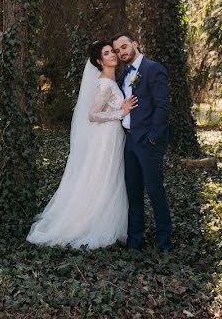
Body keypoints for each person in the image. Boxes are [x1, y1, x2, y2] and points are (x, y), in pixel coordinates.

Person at [26, 40, 138, 248]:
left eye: (112, 51)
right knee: (103, 177)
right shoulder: (104, 83)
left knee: (109, 178)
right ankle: (92, 222)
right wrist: (120, 112)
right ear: (99, 60)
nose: (113, 55)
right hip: (106, 136)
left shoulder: (111, 80)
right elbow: (93, 114)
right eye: (107, 53)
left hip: (112, 135)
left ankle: (105, 219)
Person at [112, 32, 173, 252]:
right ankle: (135, 241)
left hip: (148, 143)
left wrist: (154, 138)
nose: (121, 52)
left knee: (155, 192)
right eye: (118, 50)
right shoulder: (123, 75)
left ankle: (165, 242)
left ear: (135, 44)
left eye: (124, 47)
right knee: (133, 191)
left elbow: (162, 106)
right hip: (129, 142)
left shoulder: (153, 69)